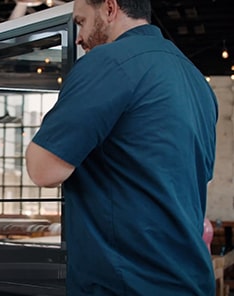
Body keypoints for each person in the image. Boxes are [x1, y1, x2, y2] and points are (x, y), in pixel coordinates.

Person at [25, 0, 218, 295]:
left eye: (81, 22)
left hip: (126, 282)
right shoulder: (196, 81)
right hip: (190, 278)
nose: (78, 36)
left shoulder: (106, 61)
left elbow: (42, 170)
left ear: (110, 8)